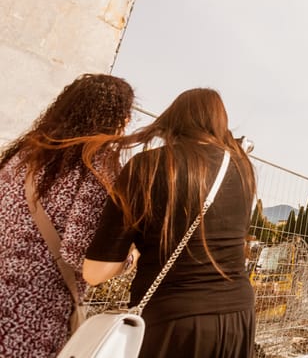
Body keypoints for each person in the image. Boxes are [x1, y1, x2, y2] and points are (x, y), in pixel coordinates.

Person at [83, 88, 257, 358]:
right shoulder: (242, 169)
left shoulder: (145, 166)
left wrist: (132, 259)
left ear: (172, 119)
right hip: (239, 317)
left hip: (173, 320)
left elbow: (95, 272)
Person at [0, 74, 134, 358]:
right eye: (126, 114)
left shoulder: (24, 153)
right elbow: (79, 254)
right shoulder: (97, 163)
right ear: (114, 117)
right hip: (33, 317)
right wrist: (129, 259)